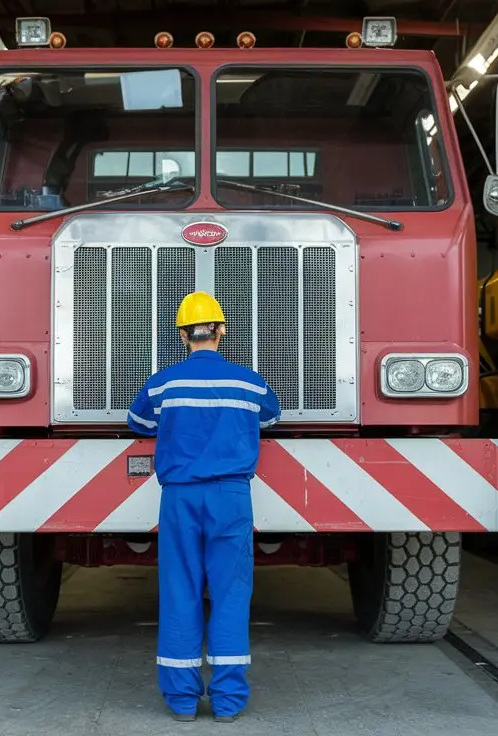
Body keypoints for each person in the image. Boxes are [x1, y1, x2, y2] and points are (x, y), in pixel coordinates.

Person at [127, 290, 281, 724]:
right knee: (231, 594)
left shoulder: (163, 382)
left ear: (182, 335)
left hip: (179, 498)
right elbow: (270, 417)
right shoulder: (250, 382)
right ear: (221, 330)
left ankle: (181, 701)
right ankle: (229, 701)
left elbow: (137, 421)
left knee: (180, 591)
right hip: (231, 497)